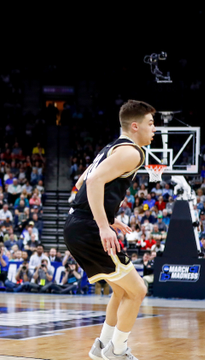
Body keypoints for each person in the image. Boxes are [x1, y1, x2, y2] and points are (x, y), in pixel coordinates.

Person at [65, 100, 155, 360]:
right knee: (138, 291)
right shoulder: (133, 152)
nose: (154, 129)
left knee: (121, 290)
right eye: (150, 123)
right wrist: (103, 225)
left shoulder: (110, 148)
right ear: (135, 126)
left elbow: (81, 182)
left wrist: (100, 215)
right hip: (88, 227)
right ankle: (117, 351)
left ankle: (102, 345)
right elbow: (92, 181)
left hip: (77, 224)